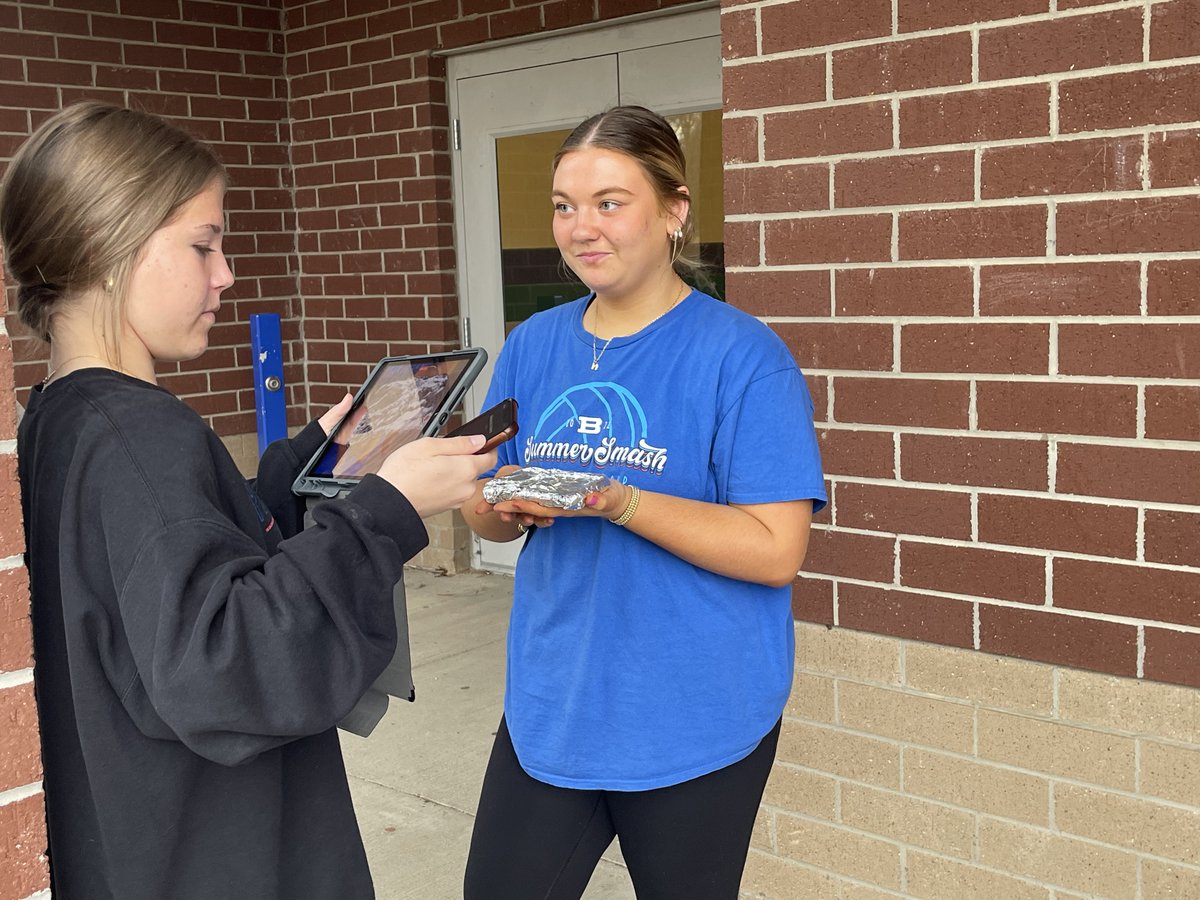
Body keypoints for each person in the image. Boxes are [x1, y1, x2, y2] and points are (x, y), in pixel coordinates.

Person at [0, 101, 496, 900]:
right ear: (106, 246)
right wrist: (385, 511)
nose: (226, 273)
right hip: (223, 855)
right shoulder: (140, 437)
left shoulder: (56, 419)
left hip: (139, 845)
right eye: (203, 243)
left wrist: (301, 467)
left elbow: (159, 575)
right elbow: (227, 665)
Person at [460, 105, 827, 899]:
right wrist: (503, 503)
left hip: (694, 711)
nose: (581, 228)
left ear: (674, 210)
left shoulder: (743, 356)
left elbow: (775, 550)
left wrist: (618, 501)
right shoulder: (533, 343)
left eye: (609, 202)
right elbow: (483, 509)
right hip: (552, 700)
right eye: (563, 205)